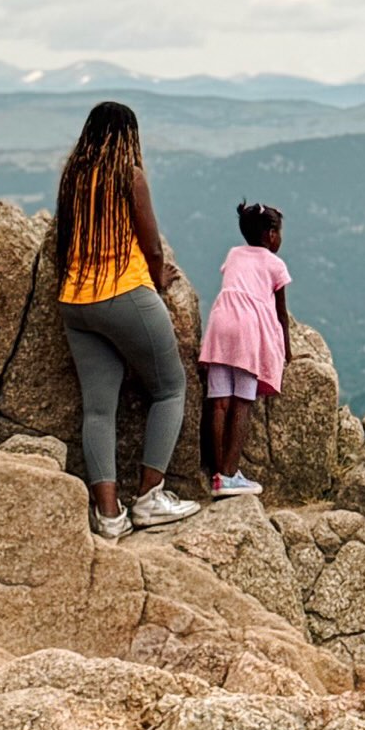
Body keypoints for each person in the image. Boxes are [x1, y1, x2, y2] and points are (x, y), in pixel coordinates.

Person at [56, 101, 200, 540]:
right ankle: (149, 497)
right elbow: (151, 244)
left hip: (75, 302)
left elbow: (64, 240)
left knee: (98, 409)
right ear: (128, 137)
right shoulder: (129, 176)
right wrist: (158, 281)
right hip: (124, 291)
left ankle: (108, 515)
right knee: (170, 388)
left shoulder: (73, 177)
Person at [199, 200, 292, 498]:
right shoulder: (275, 264)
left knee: (219, 402)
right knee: (242, 402)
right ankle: (229, 474)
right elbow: (281, 313)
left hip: (220, 324)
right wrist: (286, 350)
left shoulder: (234, 254)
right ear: (272, 235)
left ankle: (216, 475)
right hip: (248, 332)